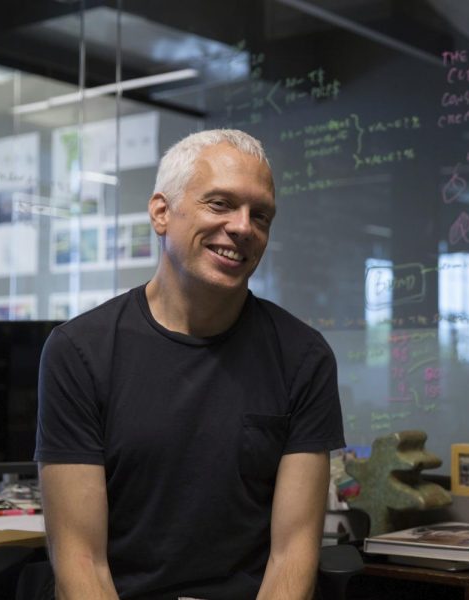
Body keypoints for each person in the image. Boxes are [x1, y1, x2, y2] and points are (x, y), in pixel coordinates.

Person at [35, 129, 345, 599]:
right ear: (162, 213)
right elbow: (81, 562)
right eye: (220, 204)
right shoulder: (79, 351)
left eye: (260, 215)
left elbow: (292, 558)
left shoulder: (303, 357)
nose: (243, 227)